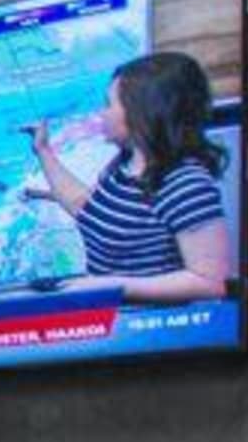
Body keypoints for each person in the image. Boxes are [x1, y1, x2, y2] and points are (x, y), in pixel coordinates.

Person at [24, 49, 234, 302]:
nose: (102, 113)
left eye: (109, 104)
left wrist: (111, 287)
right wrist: (43, 150)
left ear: (141, 113)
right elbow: (88, 208)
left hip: (152, 332)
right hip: (110, 321)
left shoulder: (186, 185)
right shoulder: (126, 165)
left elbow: (210, 282)